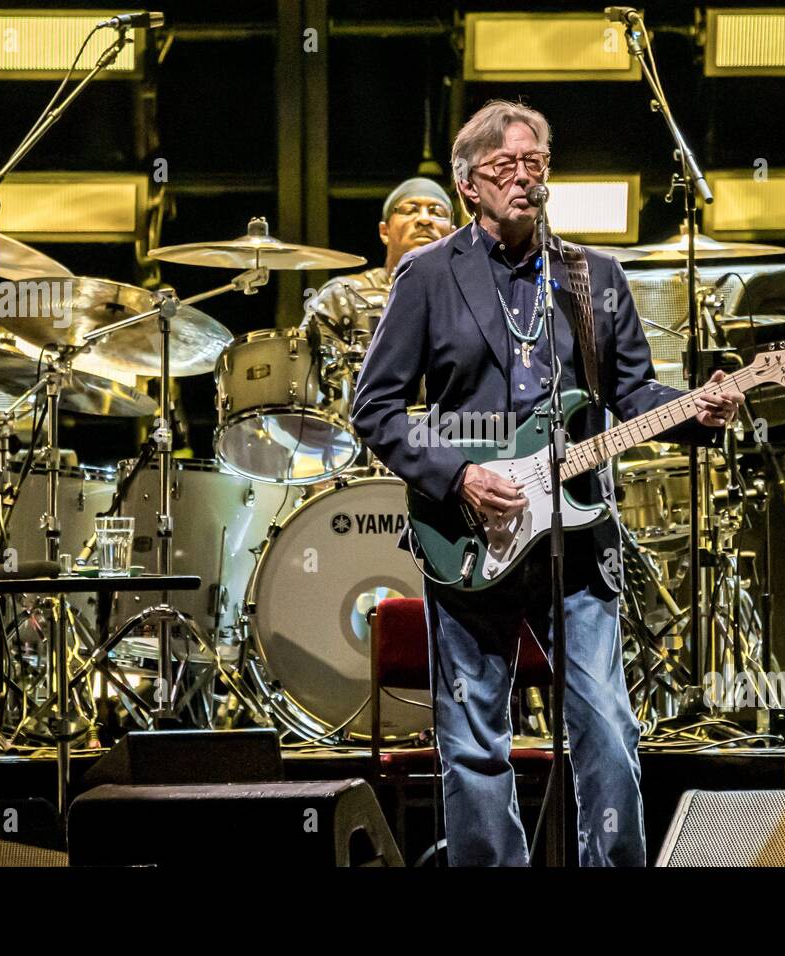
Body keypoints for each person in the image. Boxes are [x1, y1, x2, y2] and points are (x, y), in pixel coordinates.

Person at [351, 100, 744, 866]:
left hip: (580, 530)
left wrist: (702, 410)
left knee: (606, 722)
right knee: (472, 738)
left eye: (537, 165)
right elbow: (375, 406)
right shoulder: (428, 277)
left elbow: (633, 398)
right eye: (505, 168)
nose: (525, 179)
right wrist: (458, 475)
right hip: (470, 538)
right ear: (470, 185)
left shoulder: (591, 277)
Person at [305, 177, 455, 346]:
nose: (425, 219)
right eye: (410, 210)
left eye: (437, 212)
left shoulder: (470, 296)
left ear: (452, 235)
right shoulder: (345, 295)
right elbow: (306, 365)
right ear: (385, 231)